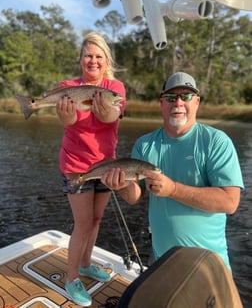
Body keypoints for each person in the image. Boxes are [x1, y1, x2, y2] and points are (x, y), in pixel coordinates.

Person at [101, 71, 244, 271]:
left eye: (185, 97)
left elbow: (230, 202)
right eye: (170, 97)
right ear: (161, 103)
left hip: (208, 264)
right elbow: (134, 197)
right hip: (161, 261)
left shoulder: (216, 142)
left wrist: (173, 189)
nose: (178, 103)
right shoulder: (145, 144)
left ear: (197, 102)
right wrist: (121, 185)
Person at [56, 32, 126, 307]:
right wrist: (65, 113)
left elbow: (112, 115)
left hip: (106, 166)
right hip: (76, 165)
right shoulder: (68, 86)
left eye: (99, 56)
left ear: (107, 60)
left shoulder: (114, 87)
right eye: (88, 55)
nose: (93, 60)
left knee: (96, 221)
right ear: (80, 59)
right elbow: (69, 118)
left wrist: (103, 107)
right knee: (83, 224)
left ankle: (85, 264)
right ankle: (71, 278)